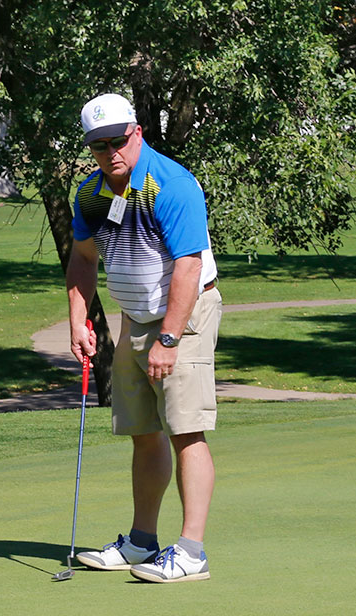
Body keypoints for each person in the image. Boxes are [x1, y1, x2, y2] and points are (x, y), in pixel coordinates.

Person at [66, 93, 222, 583]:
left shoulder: (171, 184)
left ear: (136, 132)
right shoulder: (91, 192)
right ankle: (141, 543)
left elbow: (188, 266)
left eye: (117, 139)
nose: (110, 151)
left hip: (185, 317)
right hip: (134, 316)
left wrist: (169, 339)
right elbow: (84, 259)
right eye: (98, 144)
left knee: (184, 428)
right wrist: (78, 318)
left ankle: (192, 551)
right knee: (143, 431)